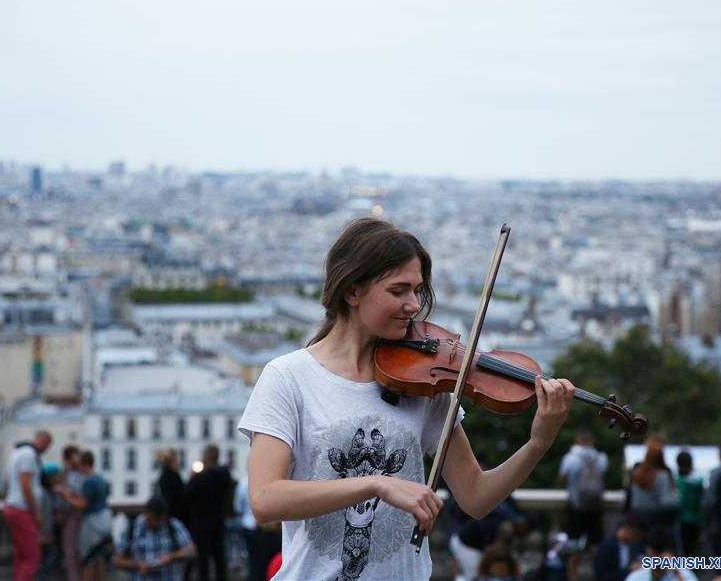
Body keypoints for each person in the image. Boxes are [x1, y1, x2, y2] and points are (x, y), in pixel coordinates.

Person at [237, 217, 575, 581]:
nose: (414, 304)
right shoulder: (288, 378)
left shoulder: (422, 384)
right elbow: (265, 501)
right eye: (398, 291)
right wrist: (376, 483)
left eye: (417, 290)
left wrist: (539, 441)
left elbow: (476, 497)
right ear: (351, 291)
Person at [558, 428, 607, 581]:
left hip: (576, 505)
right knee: (595, 544)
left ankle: (573, 576)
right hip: (595, 505)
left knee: (573, 545)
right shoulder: (601, 457)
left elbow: (562, 477)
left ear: (577, 440)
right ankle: (599, 573)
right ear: (592, 441)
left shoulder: (570, 458)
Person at [54, 451, 111, 581]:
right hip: (102, 521)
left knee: (88, 559)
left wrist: (65, 494)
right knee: (99, 557)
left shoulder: (89, 481)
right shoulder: (99, 478)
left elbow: (81, 504)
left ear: (84, 464)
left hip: (92, 524)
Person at [4, 429, 52, 581]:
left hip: (14, 506)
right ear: (42, 440)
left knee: (21, 556)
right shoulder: (28, 455)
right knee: (32, 557)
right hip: (22, 510)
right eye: (47, 444)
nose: (46, 449)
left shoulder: (17, 452)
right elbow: (26, 484)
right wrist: (36, 511)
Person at [114, 495, 196, 581]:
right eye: (152, 519)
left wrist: (172, 557)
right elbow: (118, 560)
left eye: (159, 519)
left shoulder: (173, 525)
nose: (155, 523)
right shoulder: (133, 527)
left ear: (164, 516)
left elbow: (192, 551)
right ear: (146, 513)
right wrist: (137, 565)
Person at [185, 444, 232, 581]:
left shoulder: (201, 478)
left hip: (201, 524)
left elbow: (187, 494)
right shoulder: (224, 475)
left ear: (206, 457)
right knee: (219, 559)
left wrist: (193, 477)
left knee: (202, 561)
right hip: (218, 522)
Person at [629, 434, 678, 531]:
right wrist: (678, 498)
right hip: (656, 520)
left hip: (637, 518)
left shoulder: (636, 472)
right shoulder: (663, 475)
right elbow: (665, 501)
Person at [624, 527, 697, 581]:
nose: (657, 558)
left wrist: (675, 571)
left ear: (669, 553)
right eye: (654, 554)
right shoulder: (637, 576)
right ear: (648, 552)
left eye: (660, 554)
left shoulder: (684, 574)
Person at [232, 475, 266, 581]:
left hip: (248, 525)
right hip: (264, 527)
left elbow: (237, 507)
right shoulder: (264, 481)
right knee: (264, 560)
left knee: (253, 560)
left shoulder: (243, 483)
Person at [593, 514, 646, 581]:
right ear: (625, 528)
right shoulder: (605, 548)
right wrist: (629, 570)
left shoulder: (637, 546)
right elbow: (602, 577)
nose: (638, 538)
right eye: (636, 533)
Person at [59, 445, 84, 581]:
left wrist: (65, 493)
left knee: (74, 553)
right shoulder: (67, 474)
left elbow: (78, 494)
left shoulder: (79, 474)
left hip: (76, 517)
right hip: (70, 518)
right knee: (71, 553)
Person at [675, 450, 703, 557]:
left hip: (682, 520)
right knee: (693, 550)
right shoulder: (698, 482)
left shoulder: (678, 483)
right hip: (696, 519)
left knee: (683, 551)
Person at [157, 449, 190, 531]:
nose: (178, 461)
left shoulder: (164, 475)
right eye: (176, 459)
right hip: (176, 514)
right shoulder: (173, 476)